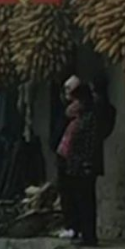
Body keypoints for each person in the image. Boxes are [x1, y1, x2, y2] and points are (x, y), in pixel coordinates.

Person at [57, 83, 100, 247]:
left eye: (76, 101)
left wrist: (85, 163)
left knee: (86, 202)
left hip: (83, 167)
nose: (73, 104)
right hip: (74, 166)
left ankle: (89, 236)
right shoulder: (78, 118)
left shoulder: (89, 119)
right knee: (79, 201)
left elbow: (89, 144)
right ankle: (81, 232)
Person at [53, 76, 82, 240]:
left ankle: (74, 226)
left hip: (73, 158)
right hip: (65, 156)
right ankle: (71, 225)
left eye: (68, 90)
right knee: (66, 192)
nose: (66, 94)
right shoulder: (67, 111)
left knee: (73, 193)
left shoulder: (78, 111)